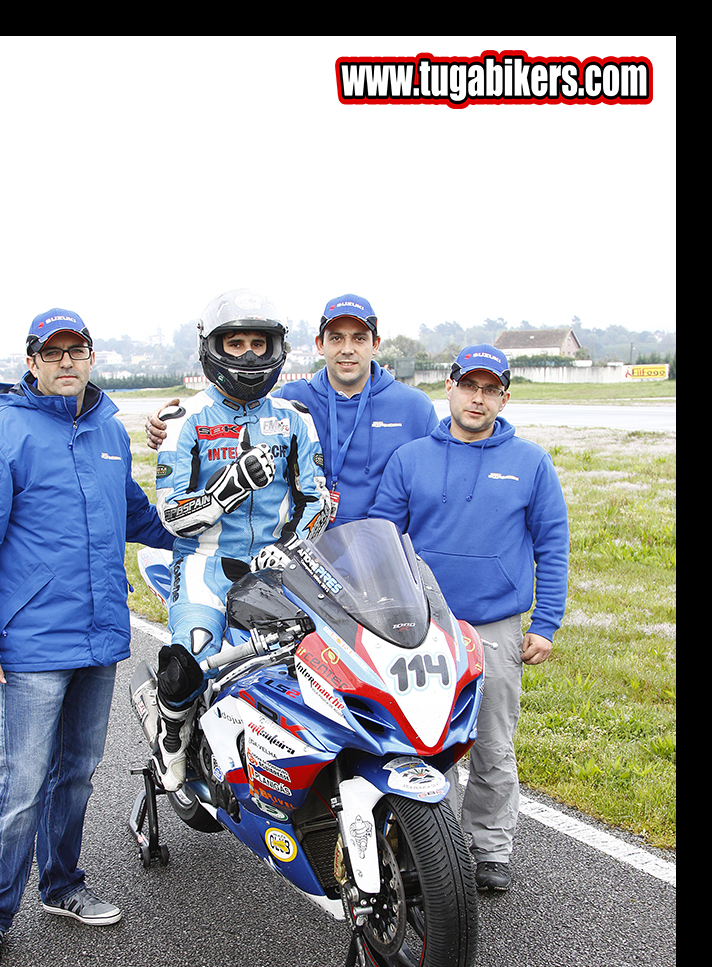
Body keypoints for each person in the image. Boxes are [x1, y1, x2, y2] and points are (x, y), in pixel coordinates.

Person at [0, 308, 175, 967]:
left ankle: (63, 885)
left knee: (76, 774)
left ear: (92, 357)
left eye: (79, 350)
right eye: (55, 352)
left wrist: (199, 534)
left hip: (98, 638)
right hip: (32, 645)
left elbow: (132, 512)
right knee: (21, 784)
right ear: (33, 361)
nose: (68, 361)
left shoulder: (107, 429)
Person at [370, 345, 570, 891]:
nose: (477, 399)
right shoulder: (411, 458)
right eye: (468, 386)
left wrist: (546, 623)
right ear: (451, 388)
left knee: (491, 743)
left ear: (503, 398)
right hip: (420, 628)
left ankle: (490, 849)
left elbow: (553, 545)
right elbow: (384, 543)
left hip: (495, 629)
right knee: (420, 743)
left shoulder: (531, 462)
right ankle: (423, 847)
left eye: (490, 390)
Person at [152, 288, 330, 791]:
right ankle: (172, 738)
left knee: (324, 660)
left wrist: (292, 546)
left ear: (277, 349)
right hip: (205, 563)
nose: (250, 355)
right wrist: (228, 489)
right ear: (213, 348)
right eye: (236, 345)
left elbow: (316, 499)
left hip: (280, 564)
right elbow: (170, 514)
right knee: (193, 656)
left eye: (259, 343)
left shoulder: (297, 419)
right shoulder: (182, 420)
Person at [147, 293, 439, 528]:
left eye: (359, 338)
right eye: (336, 337)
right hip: (308, 552)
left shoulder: (415, 407)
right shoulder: (290, 401)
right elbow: (235, 412)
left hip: (383, 558)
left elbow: (444, 465)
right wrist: (166, 425)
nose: (347, 348)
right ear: (319, 344)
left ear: (375, 344)